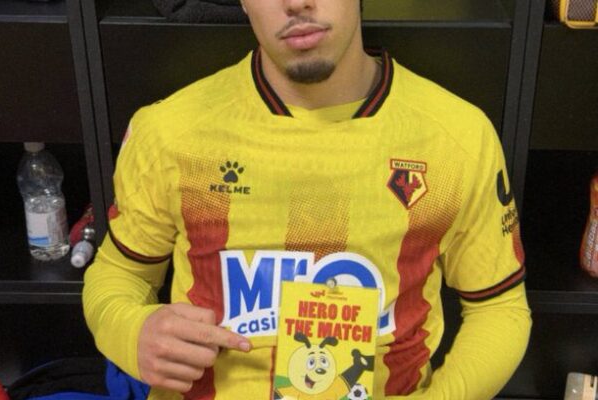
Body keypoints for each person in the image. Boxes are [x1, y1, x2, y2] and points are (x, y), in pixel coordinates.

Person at [82, 0, 532, 399]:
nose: (297, 2)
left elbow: (499, 307)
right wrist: (131, 332)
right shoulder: (170, 130)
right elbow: (120, 273)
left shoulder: (457, 136)